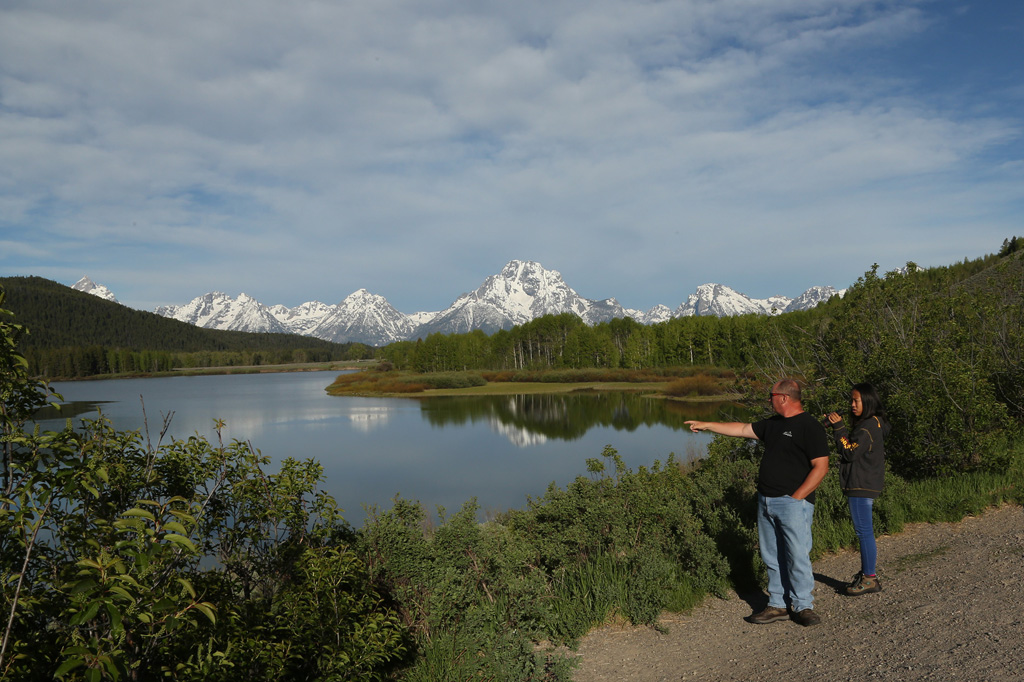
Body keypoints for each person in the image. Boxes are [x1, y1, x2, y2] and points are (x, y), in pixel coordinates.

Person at [686, 379, 829, 627]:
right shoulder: (773, 424)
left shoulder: (810, 426)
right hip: (766, 501)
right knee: (771, 556)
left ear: (783, 397)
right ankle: (777, 604)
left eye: (771, 396)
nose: (769, 400)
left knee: (797, 555)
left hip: (793, 504)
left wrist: (797, 498)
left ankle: (803, 606)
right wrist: (707, 424)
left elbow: (821, 467)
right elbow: (742, 429)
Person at [826, 382, 890, 596]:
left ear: (868, 401)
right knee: (865, 531)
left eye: (856, 400)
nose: (852, 405)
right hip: (867, 482)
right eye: (851, 400)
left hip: (861, 484)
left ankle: (869, 578)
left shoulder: (867, 427)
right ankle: (867, 574)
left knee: (864, 532)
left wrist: (839, 428)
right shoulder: (876, 422)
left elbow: (849, 452)